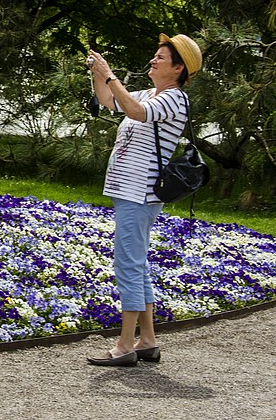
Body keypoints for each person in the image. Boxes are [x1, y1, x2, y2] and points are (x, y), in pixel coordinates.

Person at [84, 33, 203, 367]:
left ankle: (125, 346)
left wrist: (110, 74)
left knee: (128, 265)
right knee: (136, 263)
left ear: (178, 68)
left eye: (161, 58)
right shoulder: (152, 93)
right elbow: (111, 100)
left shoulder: (174, 99)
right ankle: (147, 341)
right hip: (129, 190)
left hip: (140, 192)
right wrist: (98, 73)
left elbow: (136, 112)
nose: (153, 60)